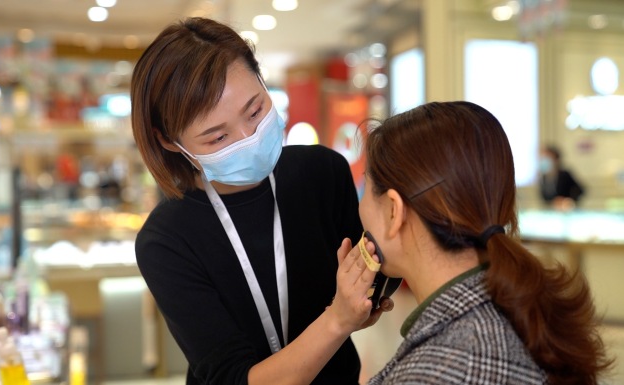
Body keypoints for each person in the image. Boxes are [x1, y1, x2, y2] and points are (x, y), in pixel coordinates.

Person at [130, 17, 392, 385]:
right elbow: (232, 377)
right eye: (217, 137)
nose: (248, 138)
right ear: (169, 141)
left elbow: (379, 273)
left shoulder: (323, 173)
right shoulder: (166, 240)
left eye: (255, 111)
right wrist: (338, 319)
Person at [358, 101, 612, 385]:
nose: (360, 208)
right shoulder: (514, 310)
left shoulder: (440, 370)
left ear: (394, 211)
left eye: (366, 188)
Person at [539, 144, 584, 210]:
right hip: (551, 211)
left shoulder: (565, 174)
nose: (544, 160)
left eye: (548, 157)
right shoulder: (544, 177)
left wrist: (568, 200)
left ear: (555, 159)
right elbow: (544, 198)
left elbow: (580, 190)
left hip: (566, 211)